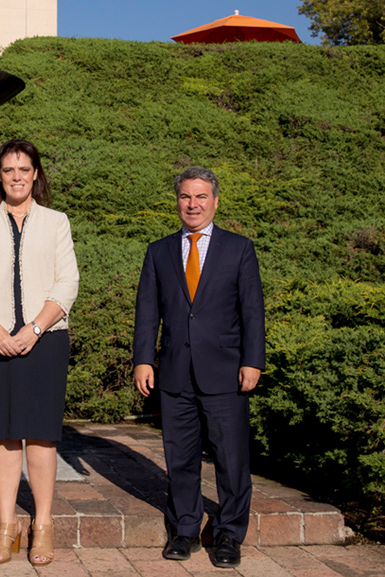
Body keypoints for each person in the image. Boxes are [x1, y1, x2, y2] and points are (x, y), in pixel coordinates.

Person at [133, 167, 265, 569]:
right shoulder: (159, 251)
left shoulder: (238, 249)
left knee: (230, 458)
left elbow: (252, 312)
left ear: (215, 201)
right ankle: (186, 530)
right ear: (178, 201)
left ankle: (228, 534)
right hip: (174, 372)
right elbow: (147, 310)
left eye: (201, 196)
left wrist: (252, 361)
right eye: (186, 197)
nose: (193, 204)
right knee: (181, 457)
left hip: (226, 372)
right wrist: (142, 359)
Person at [0, 139, 79, 566]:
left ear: (36, 174)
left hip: (45, 339)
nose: (16, 177)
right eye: (9, 170)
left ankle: (42, 526)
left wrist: (34, 329)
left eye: (24, 169)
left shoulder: (56, 222)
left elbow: (67, 283)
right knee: (5, 435)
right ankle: (6, 526)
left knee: (42, 435)